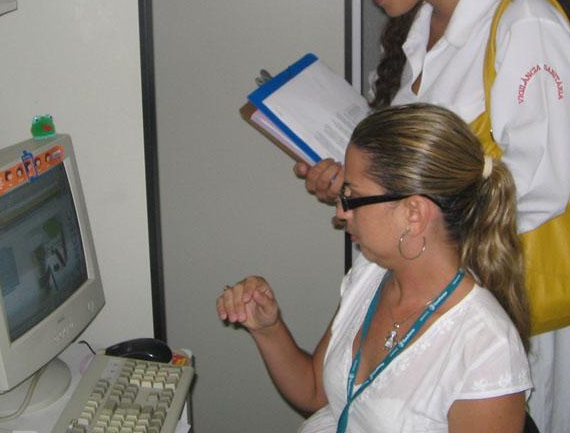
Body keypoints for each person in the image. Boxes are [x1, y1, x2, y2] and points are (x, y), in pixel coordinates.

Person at [292, 0, 570, 433]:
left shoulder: (524, 23)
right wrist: (360, 189)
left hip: (499, 294)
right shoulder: (422, 29)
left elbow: (542, 186)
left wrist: (409, 211)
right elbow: (415, 163)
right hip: (422, 290)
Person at [219, 103, 532, 432]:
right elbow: (316, 392)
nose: (341, 212)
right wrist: (268, 328)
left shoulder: (486, 349)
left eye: (352, 197)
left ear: (414, 214)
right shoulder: (372, 272)